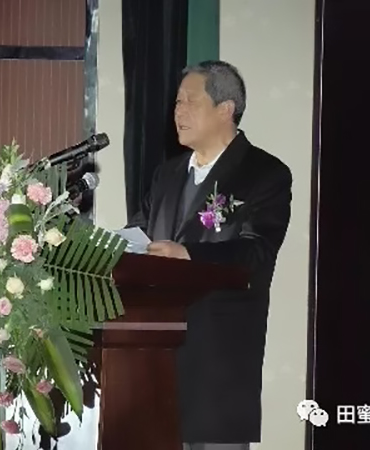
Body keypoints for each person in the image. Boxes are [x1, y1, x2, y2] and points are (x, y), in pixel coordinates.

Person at [127, 60, 292, 450]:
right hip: (155, 360)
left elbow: (256, 250)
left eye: (190, 101)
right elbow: (141, 234)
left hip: (218, 361)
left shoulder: (263, 173)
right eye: (176, 102)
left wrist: (188, 254)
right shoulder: (166, 175)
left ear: (225, 109)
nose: (178, 111)